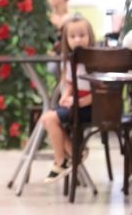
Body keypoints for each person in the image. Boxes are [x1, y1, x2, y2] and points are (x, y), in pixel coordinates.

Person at [40, 15, 95, 184]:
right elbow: (70, 84)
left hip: (90, 107)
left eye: (82, 35)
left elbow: (100, 90)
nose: (77, 40)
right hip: (76, 105)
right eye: (73, 36)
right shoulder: (70, 60)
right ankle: (75, 153)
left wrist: (80, 102)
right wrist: (65, 96)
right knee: (46, 119)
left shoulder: (95, 61)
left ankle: (61, 161)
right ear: (67, 40)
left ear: (90, 36)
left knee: (50, 118)